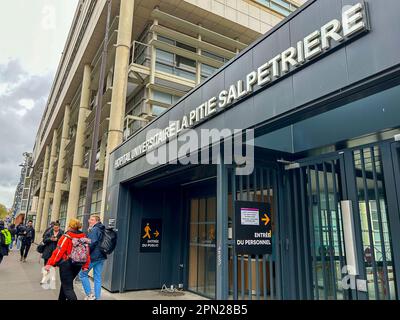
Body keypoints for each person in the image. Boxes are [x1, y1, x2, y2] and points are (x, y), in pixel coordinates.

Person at [45, 218, 90, 300]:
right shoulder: (83, 236)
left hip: (66, 264)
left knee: (68, 288)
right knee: (66, 284)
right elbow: (87, 252)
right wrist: (85, 265)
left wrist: (49, 263)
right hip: (78, 264)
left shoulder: (67, 236)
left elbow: (58, 251)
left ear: (70, 225)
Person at [79, 215, 107, 300]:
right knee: (97, 277)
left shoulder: (95, 229)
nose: (89, 221)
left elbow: (91, 243)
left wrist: (85, 254)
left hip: (93, 257)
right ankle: (97, 298)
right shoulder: (102, 229)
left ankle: (89, 295)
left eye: (91, 220)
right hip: (101, 256)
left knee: (82, 274)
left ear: (96, 221)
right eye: (89, 219)